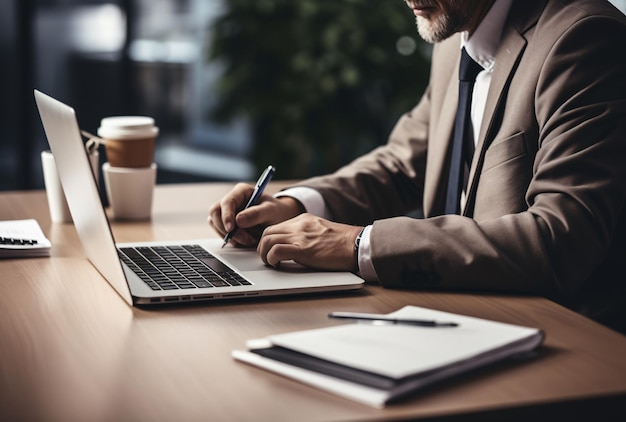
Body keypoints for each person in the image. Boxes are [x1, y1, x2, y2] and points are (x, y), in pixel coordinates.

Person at [209, 0, 626, 333]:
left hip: (566, 337)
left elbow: (559, 238)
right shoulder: (454, 34)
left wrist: (360, 245)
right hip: (459, 317)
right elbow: (403, 163)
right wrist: (296, 205)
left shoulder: (585, 38)